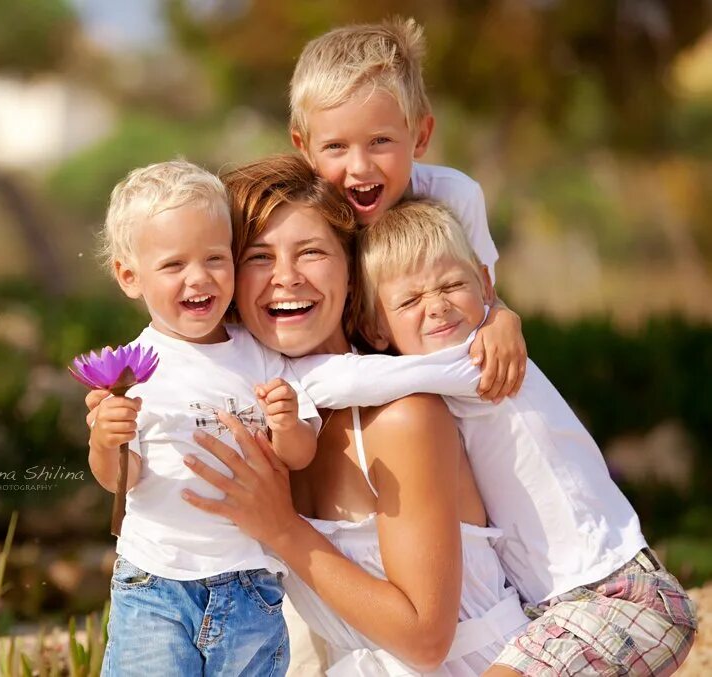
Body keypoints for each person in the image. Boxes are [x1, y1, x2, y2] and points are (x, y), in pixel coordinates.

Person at [212, 197, 698, 675]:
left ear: (484, 285)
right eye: (410, 300)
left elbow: (355, 378)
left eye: (452, 286)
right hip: (549, 608)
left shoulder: (482, 359)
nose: (438, 307)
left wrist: (289, 380)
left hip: (610, 591)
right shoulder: (425, 377)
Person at [92, 156, 531, 675]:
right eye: (258, 256)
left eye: (312, 252)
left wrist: (280, 527)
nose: (286, 278)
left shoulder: (402, 418)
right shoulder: (248, 407)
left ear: (351, 267)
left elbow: (426, 642)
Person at [89, 159, 321, 677]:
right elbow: (120, 482)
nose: (199, 278)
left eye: (215, 258)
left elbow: (300, 455)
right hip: (156, 585)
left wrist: (287, 426)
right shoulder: (130, 369)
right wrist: (106, 442)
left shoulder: (260, 354)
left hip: (250, 585)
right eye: (174, 266)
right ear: (130, 276)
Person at [287, 17, 526, 403]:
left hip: (441, 377)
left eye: (380, 141)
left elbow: (480, 297)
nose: (360, 167)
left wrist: (501, 318)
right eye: (335, 147)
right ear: (304, 147)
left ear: (421, 135)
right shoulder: (302, 216)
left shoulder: (454, 196)